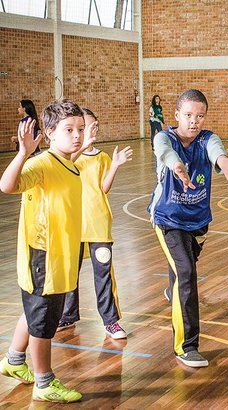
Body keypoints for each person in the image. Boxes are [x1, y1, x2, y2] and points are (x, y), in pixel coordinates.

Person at [0, 99, 96, 403]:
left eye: (80, 128)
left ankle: (15, 362)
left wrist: (83, 145)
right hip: (43, 256)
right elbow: (7, 185)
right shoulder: (40, 163)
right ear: (50, 133)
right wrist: (22, 153)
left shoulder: (67, 161)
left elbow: (67, 160)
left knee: (35, 312)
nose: (77, 135)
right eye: (69, 129)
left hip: (60, 255)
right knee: (43, 322)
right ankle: (44, 382)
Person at [149, 89, 228, 367]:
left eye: (199, 116)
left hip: (198, 220)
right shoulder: (164, 136)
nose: (194, 121)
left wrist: (224, 162)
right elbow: (165, 153)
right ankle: (186, 345)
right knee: (186, 271)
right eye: (188, 115)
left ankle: (175, 296)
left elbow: (215, 151)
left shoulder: (208, 138)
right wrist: (177, 167)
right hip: (168, 219)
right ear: (176, 115)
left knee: (182, 269)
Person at [57, 108, 132, 340]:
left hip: (98, 225)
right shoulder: (69, 157)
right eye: (85, 126)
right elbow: (65, 166)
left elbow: (104, 188)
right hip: (72, 225)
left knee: (103, 274)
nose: (91, 130)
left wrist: (115, 165)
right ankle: (67, 315)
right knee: (70, 274)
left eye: (93, 125)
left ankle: (111, 321)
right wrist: (81, 145)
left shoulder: (102, 157)